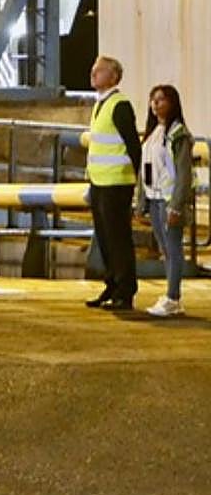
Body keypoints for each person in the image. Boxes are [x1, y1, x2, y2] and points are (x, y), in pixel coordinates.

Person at [85, 55, 141, 311]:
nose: (93, 74)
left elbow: (132, 145)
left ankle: (125, 290)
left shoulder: (120, 105)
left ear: (114, 77)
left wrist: (138, 182)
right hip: (99, 182)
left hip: (117, 182)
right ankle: (112, 283)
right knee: (105, 238)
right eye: (94, 70)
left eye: (99, 71)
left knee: (118, 238)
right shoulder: (100, 104)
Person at [135, 84, 193, 317]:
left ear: (172, 103)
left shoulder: (178, 134)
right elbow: (145, 169)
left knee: (173, 248)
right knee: (165, 250)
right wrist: (142, 202)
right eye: (153, 100)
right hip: (154, 198)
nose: (156, 104)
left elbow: (183, 173)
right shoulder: (152, 133)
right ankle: (171, 294)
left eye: (161, 100)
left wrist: (177, 205)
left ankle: (173, 297)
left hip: (168, 200)